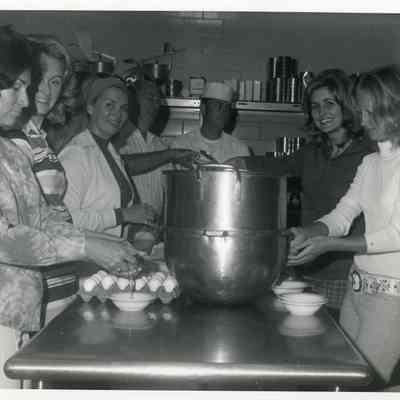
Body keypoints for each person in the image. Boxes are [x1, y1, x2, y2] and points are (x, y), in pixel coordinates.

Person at [0, 27, 140, 388]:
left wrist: (100, 243)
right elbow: (5, 239)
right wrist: (89, 245)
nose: (28, 99)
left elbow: (45, 218)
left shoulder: (11, 153)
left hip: (20, 314)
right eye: (17, 87)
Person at [286, 64, 400, 386]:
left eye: (368, 112)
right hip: (357, 286)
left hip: (393, 299)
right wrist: (311, 232)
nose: (362, 121)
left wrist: (331, 245)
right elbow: (342, 214)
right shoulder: (370, 162)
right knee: (341, 376)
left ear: (392, 108)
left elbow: (397, 235)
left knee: (362, 384)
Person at [244, 69, 373, 316]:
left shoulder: (369, 152)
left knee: (338, 345)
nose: (321, 113)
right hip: (308, 266)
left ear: (346, 105)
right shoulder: (312, 152)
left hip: (347, 272)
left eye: (329, 103)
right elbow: (278, 166)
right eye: (315, 106)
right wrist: (240, 162)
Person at [58, 77, 158, 239]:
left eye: (124, 108)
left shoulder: (111, 153)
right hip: (83, 260)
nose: (117, 114)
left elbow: (113, 218)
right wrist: (124, 215)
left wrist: (137, 231)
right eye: (109, 105)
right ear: (91, 107)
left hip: (109, 257)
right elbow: (66, 220)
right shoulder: (76, 154)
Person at [113, 78, 196, 216]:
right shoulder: (117, 139)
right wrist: (169, 155)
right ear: (132, 101)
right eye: (150, 97)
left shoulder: (160, 145)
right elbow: (120, 165)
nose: (155, 104)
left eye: (158, 100)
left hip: (152, 230)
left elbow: (170, 194)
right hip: (123, 229)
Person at [170, 81, 250, 163]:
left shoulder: (240, 150)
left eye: (227, 107)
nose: (223, 112)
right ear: (204, 108)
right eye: (218, 105)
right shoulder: (181, 144)